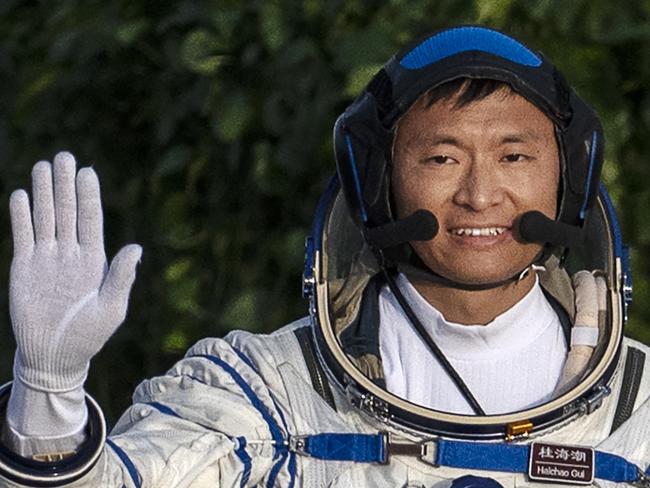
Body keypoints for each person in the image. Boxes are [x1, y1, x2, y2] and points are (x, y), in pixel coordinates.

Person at [0, 25, 648, 488]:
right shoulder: (262, 399)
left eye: (515, 156)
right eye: (442, 158)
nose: (480, 195)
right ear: (378, 182)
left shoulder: (640, 412)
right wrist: (48, 396)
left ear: (567, 180)